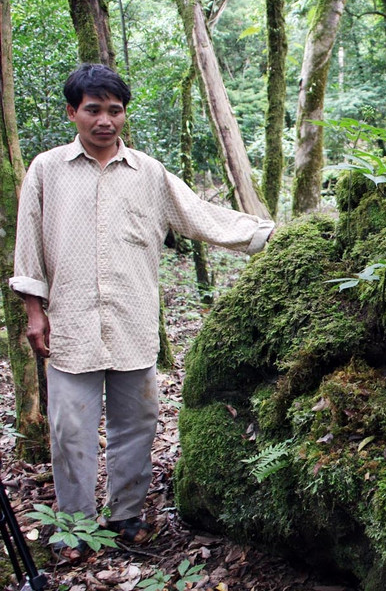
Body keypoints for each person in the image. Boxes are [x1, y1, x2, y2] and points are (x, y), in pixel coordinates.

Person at [8, 64, 274, 561]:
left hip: (132, 323)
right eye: (93, 109)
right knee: (70, 431)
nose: (105, 120)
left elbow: (200, 215)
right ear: (73, 113)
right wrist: (34, 312)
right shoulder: (46, 170)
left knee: (138, 424)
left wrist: (268, 236)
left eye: (114, 110)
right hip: (71, 326)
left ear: (123, 114)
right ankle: (75, 529)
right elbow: (29, 248)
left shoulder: (149, 174)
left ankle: (126, 517)